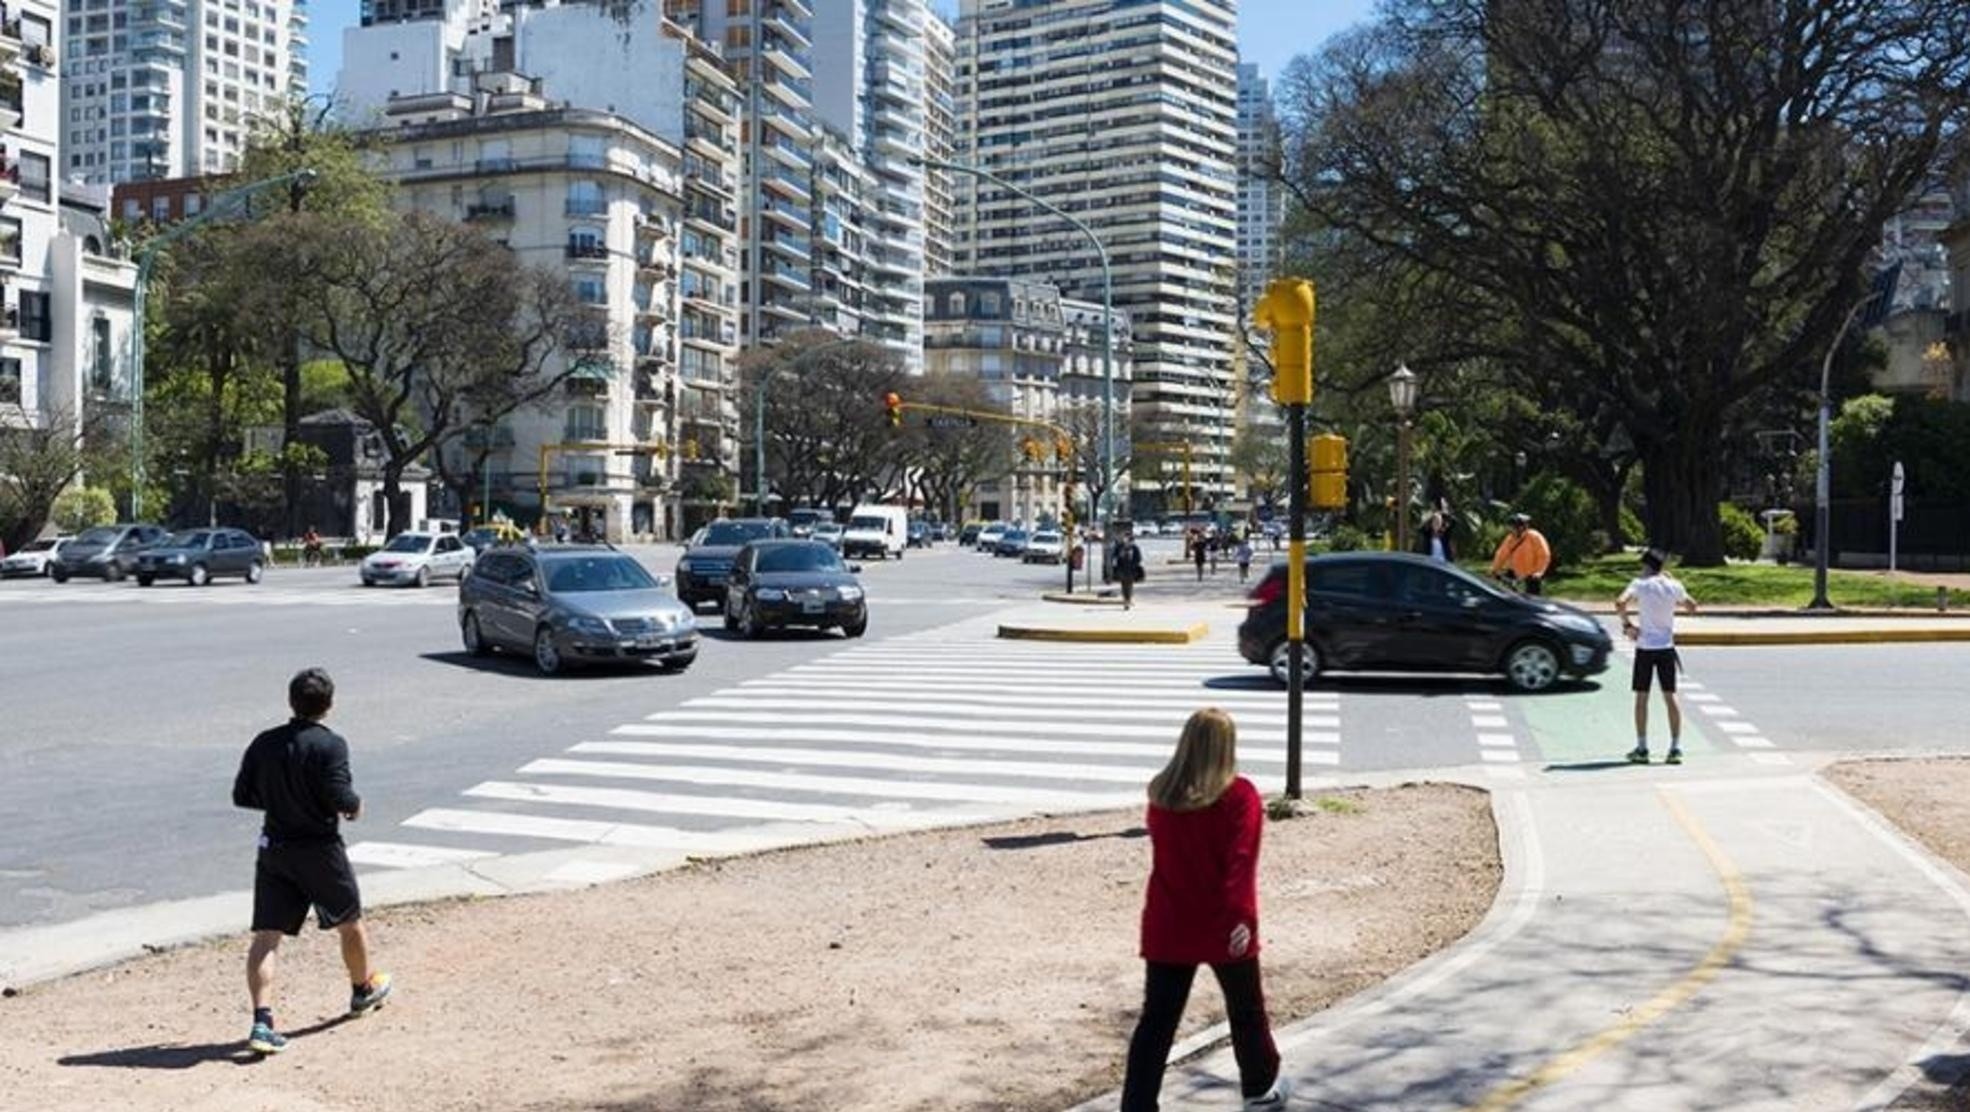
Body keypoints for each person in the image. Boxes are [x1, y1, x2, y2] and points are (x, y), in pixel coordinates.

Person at [1121, 709, 1289, 1112]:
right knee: (1246, 1011)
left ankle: (1137, 1104)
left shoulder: (1161, 795)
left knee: (1157, 1021)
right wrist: (1241, 920)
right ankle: (1260, 1088)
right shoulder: (1240, 796)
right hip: (1221, 923)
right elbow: (1241, 862)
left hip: (1169, 920)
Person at [232, 668, 393, 1055]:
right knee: (349, 921)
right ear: (329, 705)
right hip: (319, 848)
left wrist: (278, 801)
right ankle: (362, 990)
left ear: (291, 702)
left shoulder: (264, 742)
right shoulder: (330, 745)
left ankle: (262, 1021)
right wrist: (353, 807)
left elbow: (242, 795)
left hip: (275, 848)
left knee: (267, 936)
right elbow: (340, 794)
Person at [1618, 548, 1699, 765]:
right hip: (1666, 647)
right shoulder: (1673, 586)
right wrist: (1674, 588)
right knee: (1670, 696)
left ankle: (1642, 747)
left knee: (1641, 697)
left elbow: (1620, 602)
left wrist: (1627, 626)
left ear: (1647, 566)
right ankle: (1675, 748)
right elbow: (1693, 607)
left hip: (1645, 647)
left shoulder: (1639, 584)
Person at [1489, 512, 1552, 595]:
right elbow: (1501, 554)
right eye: (1510, 527)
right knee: (1509, 599)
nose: (1511, 530)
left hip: (1531, 576)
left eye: (1513, 527)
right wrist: (1495, 569)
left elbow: (1544, 555)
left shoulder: (1534, 536)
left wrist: (1539, 572)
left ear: (1521, 527)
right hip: (1514, 573)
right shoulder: (1510, 539)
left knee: (1532, 601)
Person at [1113, 529, 1145, 610]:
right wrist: (1120, 556)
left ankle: (1128, 600)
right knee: (1123, 585)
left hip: (1131, 569)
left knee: (1129, 585)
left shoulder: (1134, 548)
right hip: (1122, 569)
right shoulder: (1120, 546)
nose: (1126, 540)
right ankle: (1125, 600)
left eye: (1128, 538)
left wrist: (1134, 565)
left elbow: (1139, 558)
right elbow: (1114, 556)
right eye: (1125, 538)